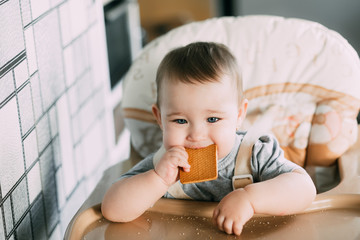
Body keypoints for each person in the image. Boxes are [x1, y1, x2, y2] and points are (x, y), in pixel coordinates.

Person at [101, 42, 316, 236]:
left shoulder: (255, 154)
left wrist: (250, 200)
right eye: (180, 121)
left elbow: (305, 188)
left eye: (212, 119)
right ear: (159, 118)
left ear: (239, 114)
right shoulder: (164, 165)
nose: (196, 135)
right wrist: (158, 180)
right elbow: (112, 209)